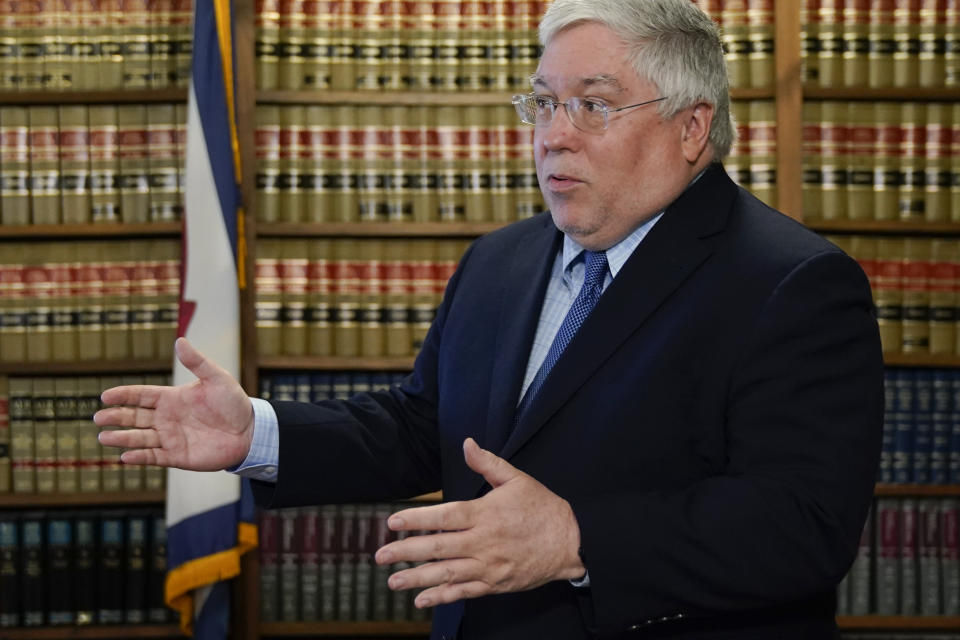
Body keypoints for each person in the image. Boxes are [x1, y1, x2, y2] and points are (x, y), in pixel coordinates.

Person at [95, 0, 884, 638]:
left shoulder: (795, 282)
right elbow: (424, 428)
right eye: (542, 102)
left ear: (692, 128)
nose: (552, 134)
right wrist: (259, 434)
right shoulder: (499, 261)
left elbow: (802, 526)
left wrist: (575, 539)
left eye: (594, 106)